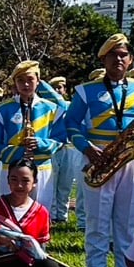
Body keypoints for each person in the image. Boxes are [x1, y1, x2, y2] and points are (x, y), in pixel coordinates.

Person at [64, 34, 134, 267]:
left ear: (131, 60)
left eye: (123, 55)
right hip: (99, 156)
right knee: (97, 217)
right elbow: (71, 124)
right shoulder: (86, 91)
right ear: (104, 60)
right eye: (113, 56)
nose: (118, 59)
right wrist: (86, 148)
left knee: (128, 217)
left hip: (131, 158)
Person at [0, 62, 66, 211]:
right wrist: (19, 152)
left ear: (38, 82)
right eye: (20, 80)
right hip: (10, 169)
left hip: (41, 169)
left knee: (39, 212)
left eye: (30, 79)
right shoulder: (2, 109)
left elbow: (60, 139)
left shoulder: (52, 109)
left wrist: (41, 144)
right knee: (9, 213)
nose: (26, 84)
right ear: (15, 83)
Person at [45, 76, 82, 226]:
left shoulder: (70, 105)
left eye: (60, 87)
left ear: (64, 90)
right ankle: (52, 214)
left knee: (65, 184)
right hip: (54, 147)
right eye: (55, 88)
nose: (58, 90)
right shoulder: (49, 106)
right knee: (51, 182)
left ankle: (63, 214)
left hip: (69, 147)